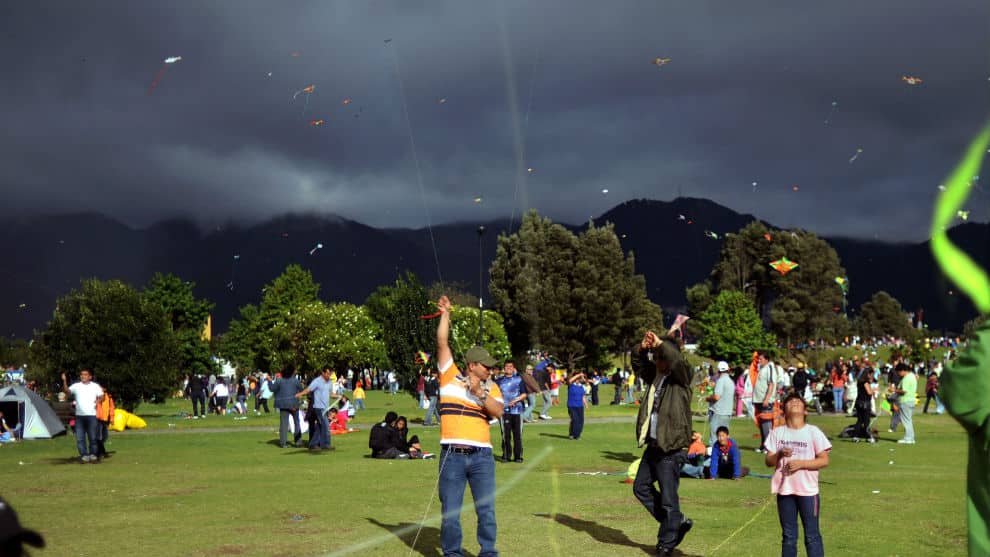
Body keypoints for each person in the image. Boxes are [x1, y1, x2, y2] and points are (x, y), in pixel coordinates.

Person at [434, 295, 504, 557]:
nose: (491, 370)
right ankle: (452, 553)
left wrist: (480, 393)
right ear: (472, 365)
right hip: (452, 455)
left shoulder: (492, 387)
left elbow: (499, 410)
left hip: (482, 457)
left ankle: (488, 552)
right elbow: (442, 342)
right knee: (450, 512)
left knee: (486, 510)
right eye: (486, 366)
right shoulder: (449, 376)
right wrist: (445, 314)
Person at [632, 326, 694, 556]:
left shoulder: (682, 379)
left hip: (672, 446)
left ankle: (666, 544)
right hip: (654, 444)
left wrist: (660, 344)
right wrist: (642, 348)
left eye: (660, 356)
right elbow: (639, 365)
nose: (656, 361)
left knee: (668, 499)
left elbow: (677, 361)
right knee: (641, 488)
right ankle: (676, 522)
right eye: (655, 357)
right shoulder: (655, 376)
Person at [764, 394, 832, 557]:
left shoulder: (813, 431)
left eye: (798, 402)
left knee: (812, 536)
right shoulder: (777, 432)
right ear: (784, 411)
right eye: (790, 402)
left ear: (805, 411)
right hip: (785, 491)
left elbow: (824, 460)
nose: (794, 403)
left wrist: (801, 464)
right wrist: (779, 453)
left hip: (808, 492)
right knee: (788, 537)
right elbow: (768, 461)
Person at [61, 370, 104, 463]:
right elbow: (67, 391)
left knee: (92, 437)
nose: (83, 376)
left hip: (92, 415)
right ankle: (84, 455)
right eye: (81, 375)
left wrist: (98, 401)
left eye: (85, 375)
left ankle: (93, 455)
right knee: (80, 438)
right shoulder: (77, 386)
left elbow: (102, 395)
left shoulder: (95, 386)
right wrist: (64, 381)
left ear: (90, 377)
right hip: (79, 416)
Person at [295, 368, 336, 451]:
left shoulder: (330, 382)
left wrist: (339, 396)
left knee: (320, 427)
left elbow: (331, 394)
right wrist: (300, 394)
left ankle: (313, 444)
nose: (329, 375)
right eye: (328, 373)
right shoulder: (317, 381)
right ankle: (326, 445)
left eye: (330, 374)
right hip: (318, 407)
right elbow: (308, 389)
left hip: (325, 407)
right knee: (326, 426)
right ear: (323, 373)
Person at [495, 361, 526, 462]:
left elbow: (524, 394)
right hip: (504, 411)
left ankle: (518, 456)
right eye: (506, 366)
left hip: (517, 410)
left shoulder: (519, 380)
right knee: (505, 434)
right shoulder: (499, 381)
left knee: (518, 435)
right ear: (504, 368)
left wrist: (515, 400)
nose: (508, 368)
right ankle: (506, 455)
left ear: (513, 368)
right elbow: (494, 395)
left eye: (510, 366)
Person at [271, 365, 305, 448]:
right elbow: (301, 390)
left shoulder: (279, 380)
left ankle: (283, 443)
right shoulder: (295, 381)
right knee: (296, 423)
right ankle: (298, 441)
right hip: (294, 403)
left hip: (283, 404)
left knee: (283, 424)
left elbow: (272, 389)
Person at [754, 351, 777, 453]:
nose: (759, 361)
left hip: (766, 401)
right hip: (759, 400)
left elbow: (771, 384)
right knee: (762, 425)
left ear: (767, 360)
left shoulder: (770, 368)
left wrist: (767, 399)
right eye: (758, 359)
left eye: (761, 359)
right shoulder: (762, 369)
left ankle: (769, 447)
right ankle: (763, 446)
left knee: (767, 425)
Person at [706, 361, 734, 447]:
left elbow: (716, 397)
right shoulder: (730, 381)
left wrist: (708, 398)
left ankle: (714, 456)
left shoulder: (721, 380)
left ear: (718, 370)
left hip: (718, 412)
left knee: (714, 437)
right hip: (727, 412)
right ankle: (724, 456)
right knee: (724, 437)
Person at [893, 363, 917, 444]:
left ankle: (908, 438)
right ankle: (910, 437)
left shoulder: (907, 378)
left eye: (898, 372)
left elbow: (904, 391)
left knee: (906, 420)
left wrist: (894, 390)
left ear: (903, 370)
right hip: (911, 400)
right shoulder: (912, 376)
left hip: (905, 401)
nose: (898, 374)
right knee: (908, 420)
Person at [853, 368, 876, 443]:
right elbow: (869, 392)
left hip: (858, 402)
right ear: (868, 374)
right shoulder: (865, 382)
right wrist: (875, 390)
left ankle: (855, 436)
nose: (872, 376)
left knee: (859, 420)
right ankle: (869, 437)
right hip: (865, 403)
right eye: (871, 374)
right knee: (866, 421)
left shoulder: (859, 381)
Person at [94, 388, 115, 458]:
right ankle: (101, 453)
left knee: (105, 437)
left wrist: (112, 418)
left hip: (105, 420)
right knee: (99, 437)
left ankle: (99, 452)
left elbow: (111, 408)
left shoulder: (108, 397)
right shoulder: (95, 396)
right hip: (98, 419)